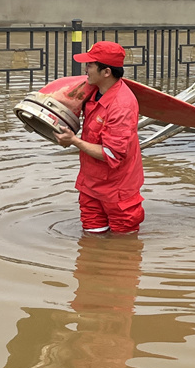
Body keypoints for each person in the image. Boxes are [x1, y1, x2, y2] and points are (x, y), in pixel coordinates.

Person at [54, 41, 145, 233]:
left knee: (124, 247)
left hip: (118, 190)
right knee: (91, 242)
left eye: (90, 65)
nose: (85, 69)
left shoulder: (122, 105)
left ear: (106, 72)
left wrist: (74, 141)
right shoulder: (93, 90)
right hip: (90, 184)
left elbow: (112, 154)